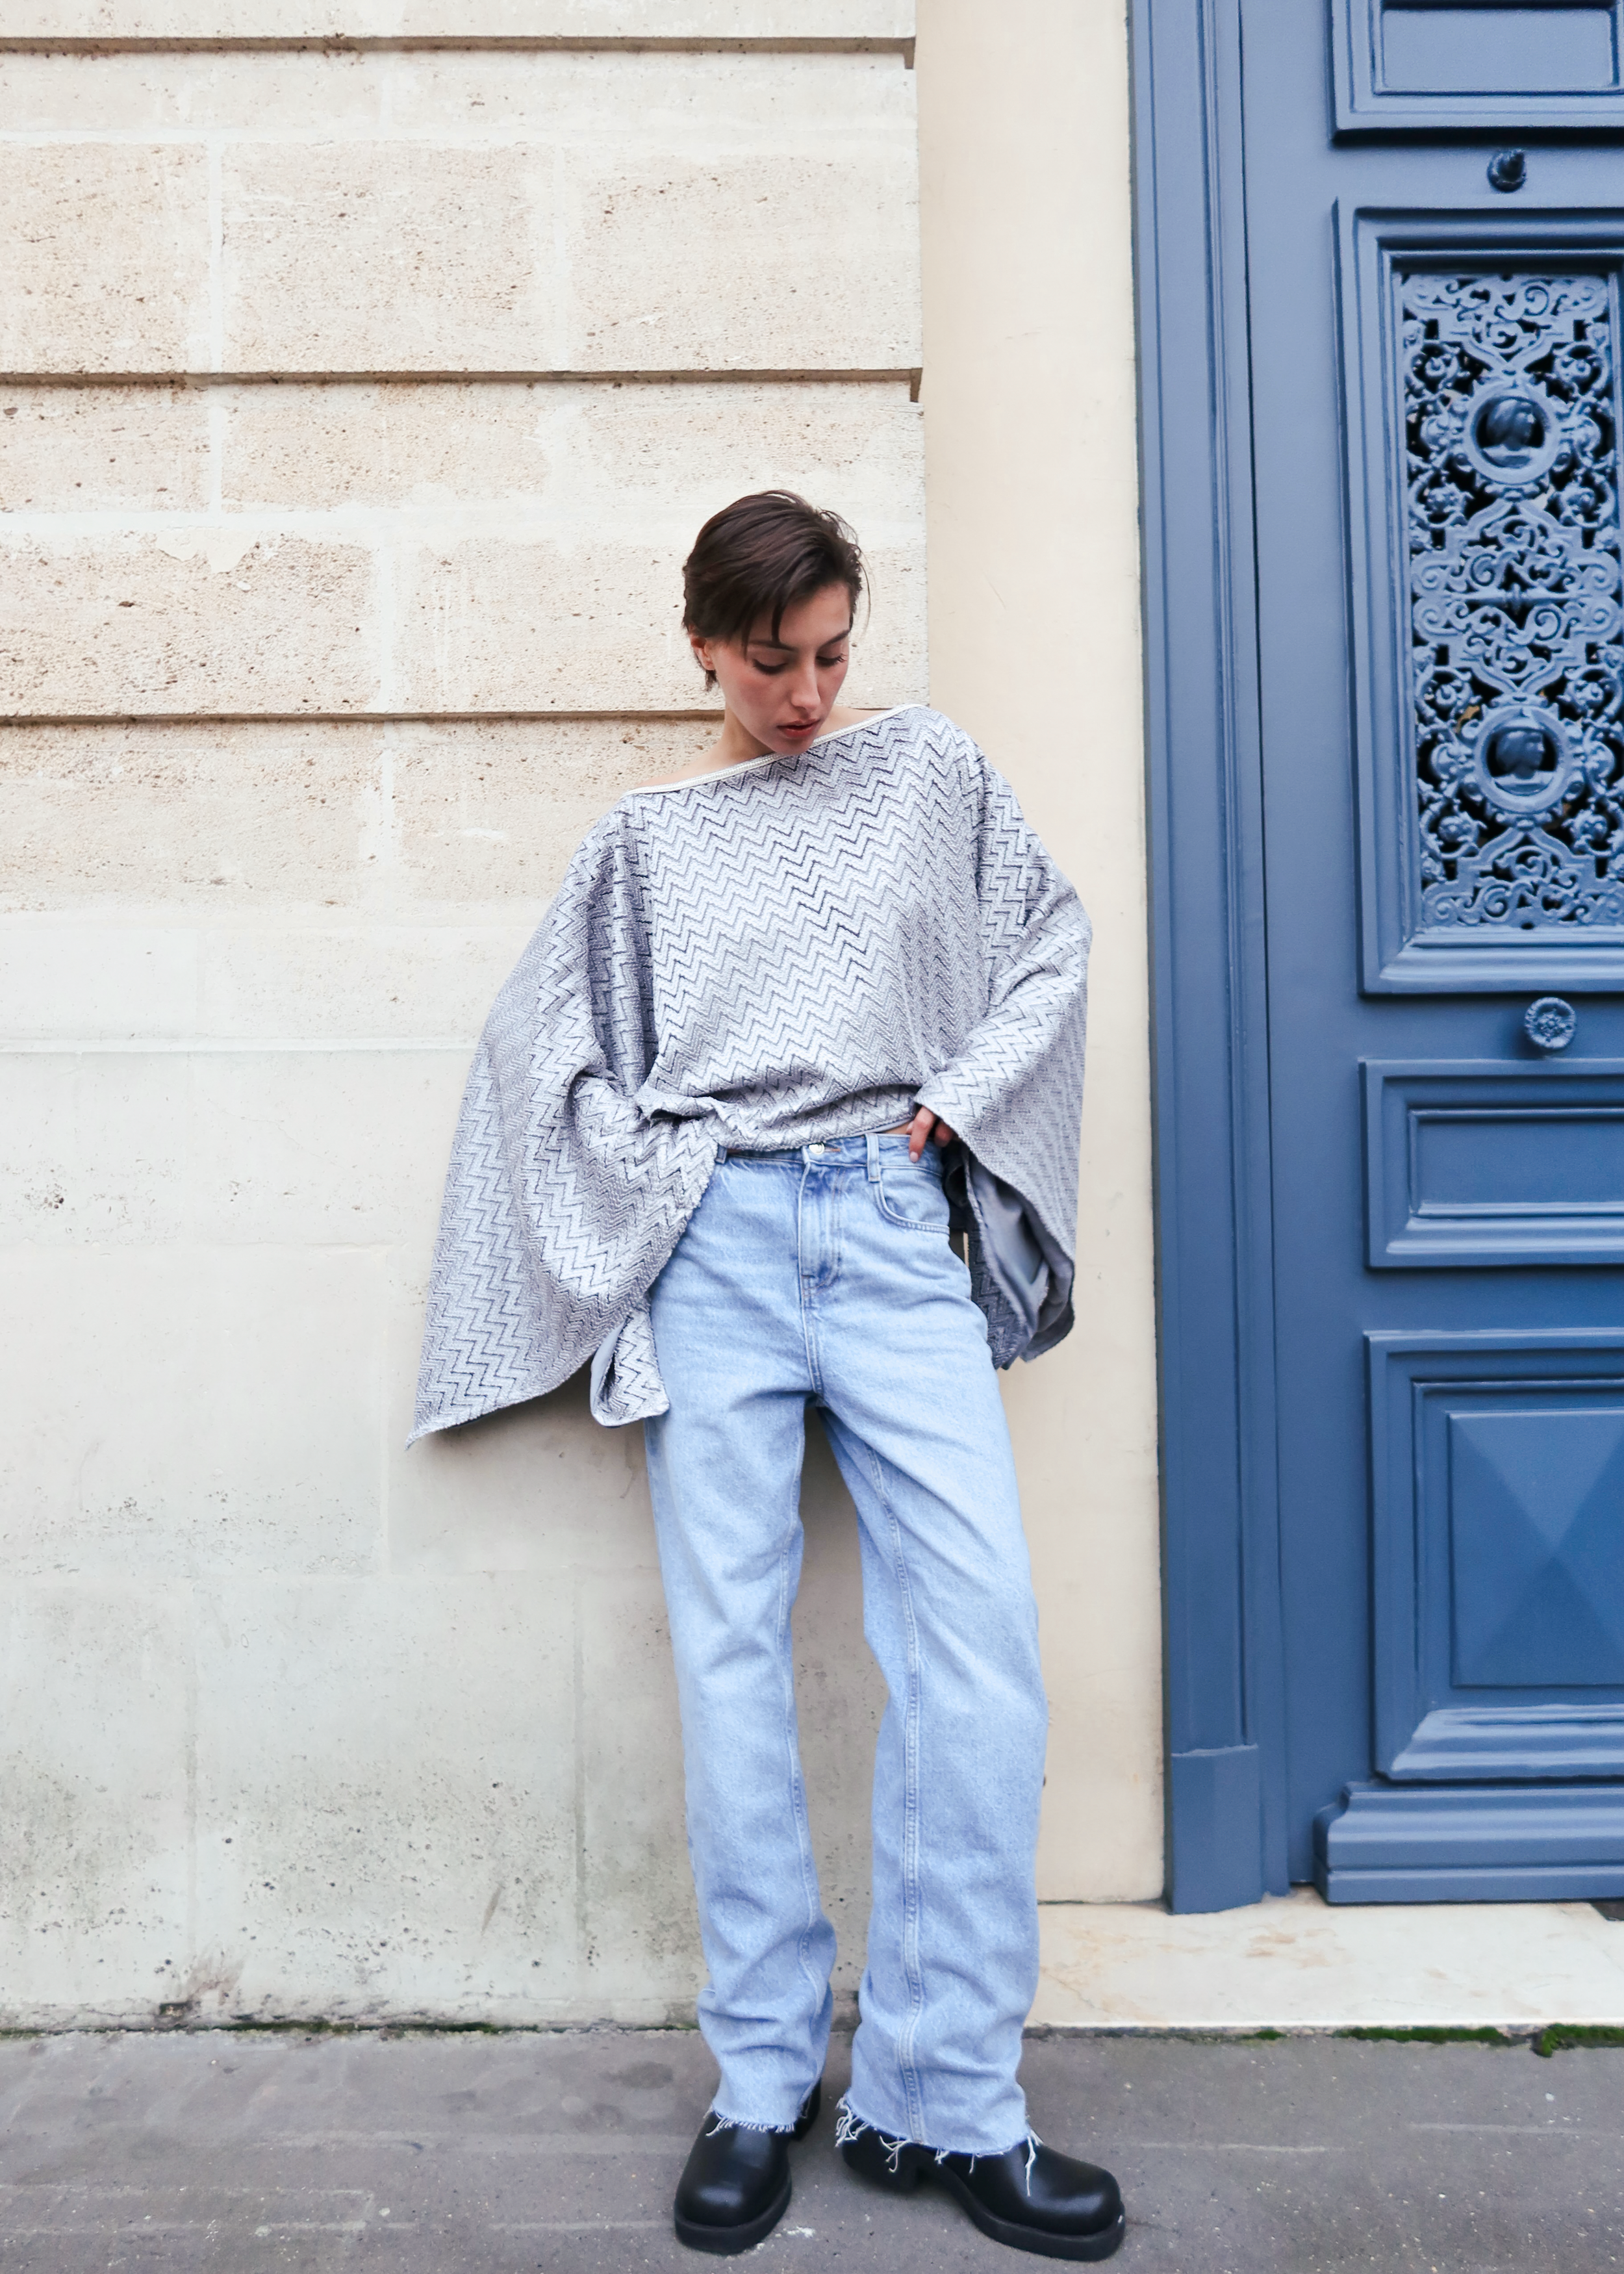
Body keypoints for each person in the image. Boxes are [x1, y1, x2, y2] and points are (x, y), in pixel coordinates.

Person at [412, 491, 1125, 2262]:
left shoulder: (930, 774)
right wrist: (663, 1174)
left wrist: (950, 1106)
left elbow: (1049, 942)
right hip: (720, 1243)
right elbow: (536, 1050)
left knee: (980, 1653)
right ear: (702, 648)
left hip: (890, 1236)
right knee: (728, 1667)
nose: (802, 693)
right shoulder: (644, 838)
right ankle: (756, 2081)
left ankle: (945, 2096)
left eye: (826, 654)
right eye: (765, 661)